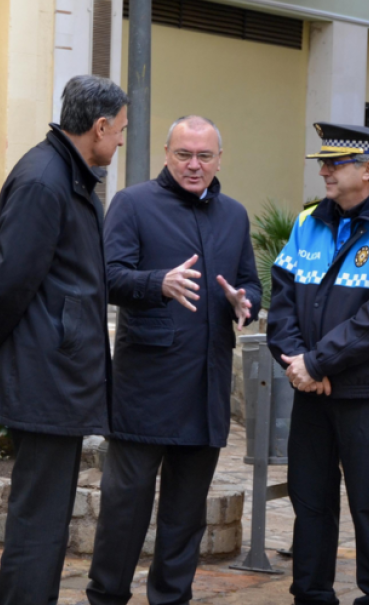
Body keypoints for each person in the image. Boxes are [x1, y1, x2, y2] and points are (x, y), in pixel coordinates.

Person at [0, 75, 128, 605]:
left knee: (46, 518)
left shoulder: (66, 173)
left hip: (56, 372)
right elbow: (8, 283)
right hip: (45, 376)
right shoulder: (44, 180)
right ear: (98, 127)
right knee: (39, 521)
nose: (121, 140)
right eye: (120, 130)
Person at [86, 115, 261, 605]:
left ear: (219, 160)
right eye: (184, 154)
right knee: (126, 506)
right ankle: (106, 596)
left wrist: (245, 301)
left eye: (205, 156)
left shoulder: (234, 215)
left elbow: (250, 281)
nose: (194, 165)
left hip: (205, 385)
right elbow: (108, 276)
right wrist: (156, 282)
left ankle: (171, 598)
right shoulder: (133, 204)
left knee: (186, 514)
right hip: (145, 385)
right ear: (167, 154)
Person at [267, 123, 369, 605]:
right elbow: (281, 303)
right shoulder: (307, 222)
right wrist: (299, 363)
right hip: (312, 390)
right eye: (323, 163)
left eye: (335, 163)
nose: (324, 171)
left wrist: (317, 363)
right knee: (310, 501)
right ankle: (311, 593)